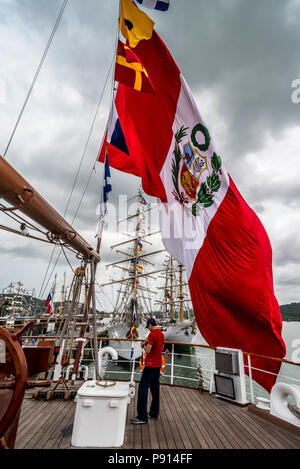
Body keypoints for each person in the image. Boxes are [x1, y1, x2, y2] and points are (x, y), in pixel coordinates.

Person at [130, 317, 164, 424]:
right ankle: (154, 413)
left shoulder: (152, 335)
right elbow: (161, 348)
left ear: (150, 325)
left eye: (148, 327)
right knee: (155, 389)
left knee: (142, 389)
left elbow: (148, 351)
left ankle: (142, 417)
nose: (148, 329)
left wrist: (143, 345)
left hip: (150, 365)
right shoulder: (161, 334)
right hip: (158, 364)